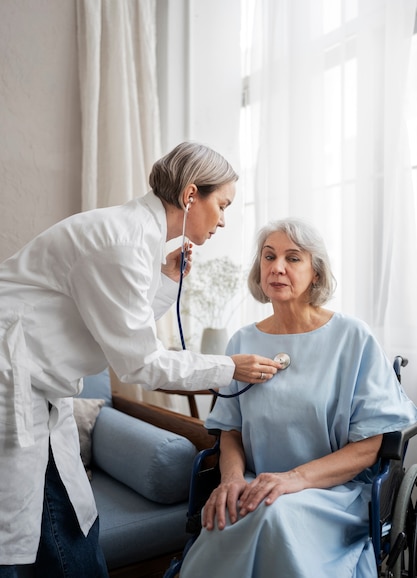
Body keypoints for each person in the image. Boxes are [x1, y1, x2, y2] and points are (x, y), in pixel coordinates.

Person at [0, 141, 281, 578]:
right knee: (16, 531)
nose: (224, 220)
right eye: (222, 205)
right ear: (191, 196)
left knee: (68, 514)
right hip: (11, 379)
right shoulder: (123, 241)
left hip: (39, 387)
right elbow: (138, 363)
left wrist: (166, 279)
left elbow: (117, 326)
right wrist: (229, 368)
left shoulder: (136, 238)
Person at [179, 217, 417, 578]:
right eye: (269, 256)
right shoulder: (242, 341)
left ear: (316, 273)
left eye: (293, 258)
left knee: (275, 516)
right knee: (226, 521)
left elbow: (372, 445)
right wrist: (231, 480)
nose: (277, 267)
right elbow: (230, 431)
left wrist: (294, 479)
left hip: (332, 494)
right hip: (257, 484)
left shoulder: (352, 338)